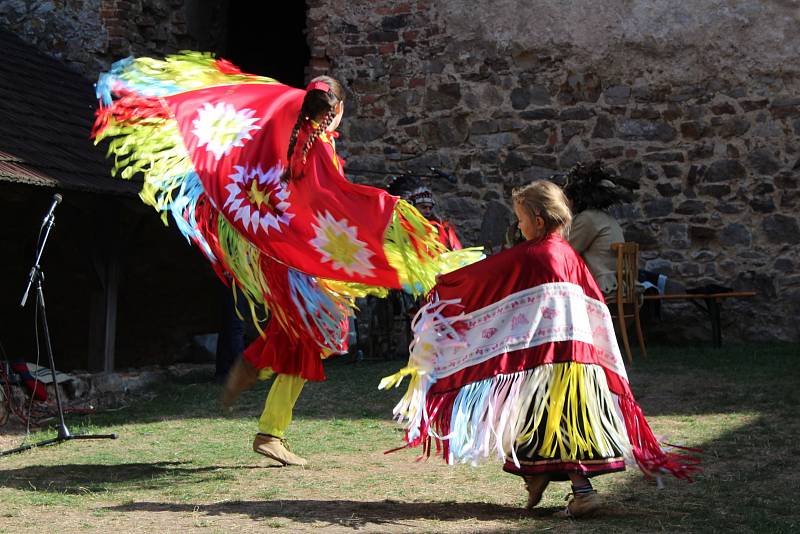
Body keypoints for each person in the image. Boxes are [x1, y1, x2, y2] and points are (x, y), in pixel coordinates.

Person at [93, 54, 481, 467]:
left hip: (275, 251)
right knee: (316, 332)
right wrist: (389, 215)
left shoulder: (278, 128)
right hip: (295, 257)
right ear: (339, 111)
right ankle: (259, 382)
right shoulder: (317, 147)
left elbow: (252, 163)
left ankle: (266, 409)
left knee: (306, 336)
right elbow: (335, 203)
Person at [381, 180, 698, 518]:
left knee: (556, 422)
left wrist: (445, 285)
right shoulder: (566, 253)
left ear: (538, 218)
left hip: (551, 365)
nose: (518, 226)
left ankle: (582, 491)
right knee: (543, 420)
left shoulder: (535, 254)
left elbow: (486, 276)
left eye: (520, 218)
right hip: (577, 362)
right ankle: (538, 477)